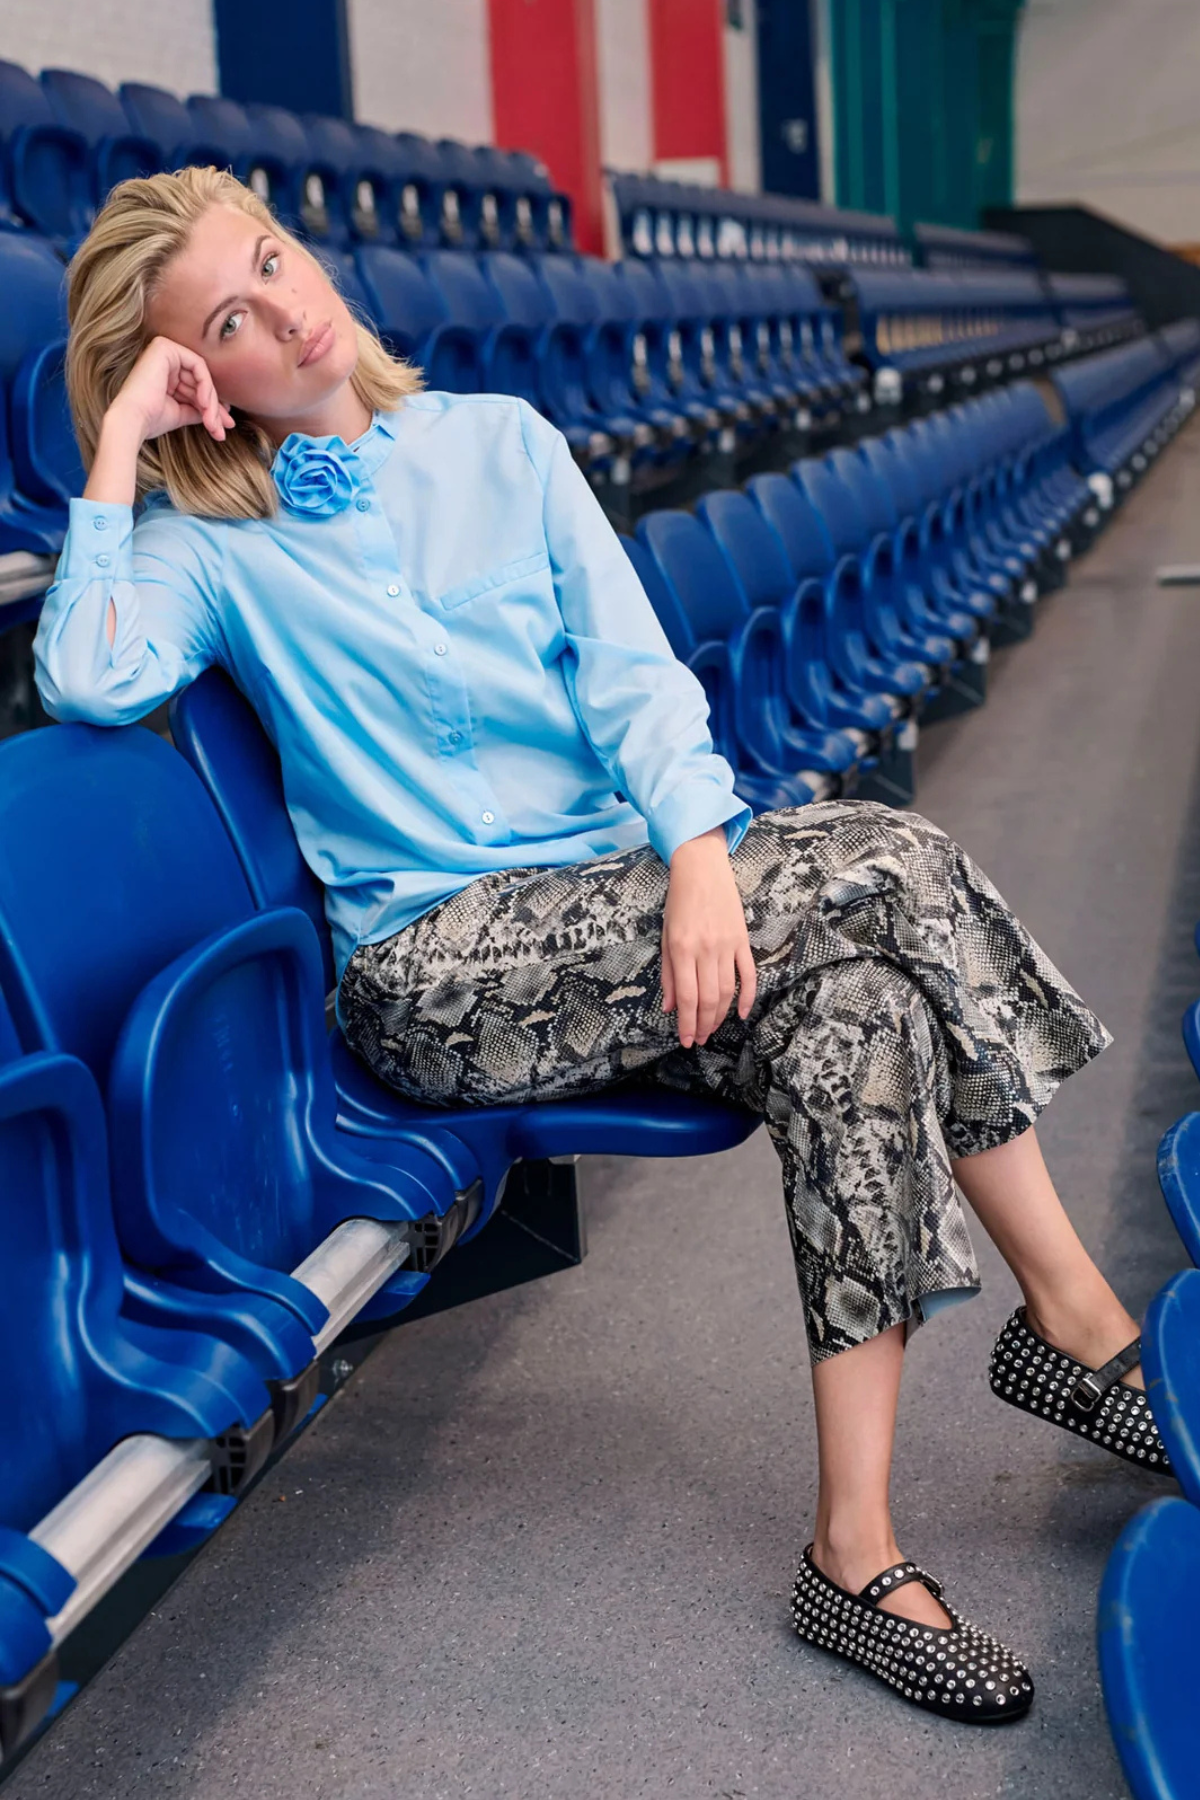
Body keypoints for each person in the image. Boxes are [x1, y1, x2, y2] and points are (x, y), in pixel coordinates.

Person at [33, 166, 1170, 1725]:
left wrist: (700, 860)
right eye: (228, 318)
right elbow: (90, 676)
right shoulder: (210, 545)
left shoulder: (501, 445)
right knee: (892, 865)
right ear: (194, 375)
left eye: (275, 260)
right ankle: (1078, 1321)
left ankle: (854, 1548)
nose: (287, 309)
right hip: (435, 973)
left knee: (855, 1021)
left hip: (620, 911)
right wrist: (119, 448)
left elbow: (639, 681)